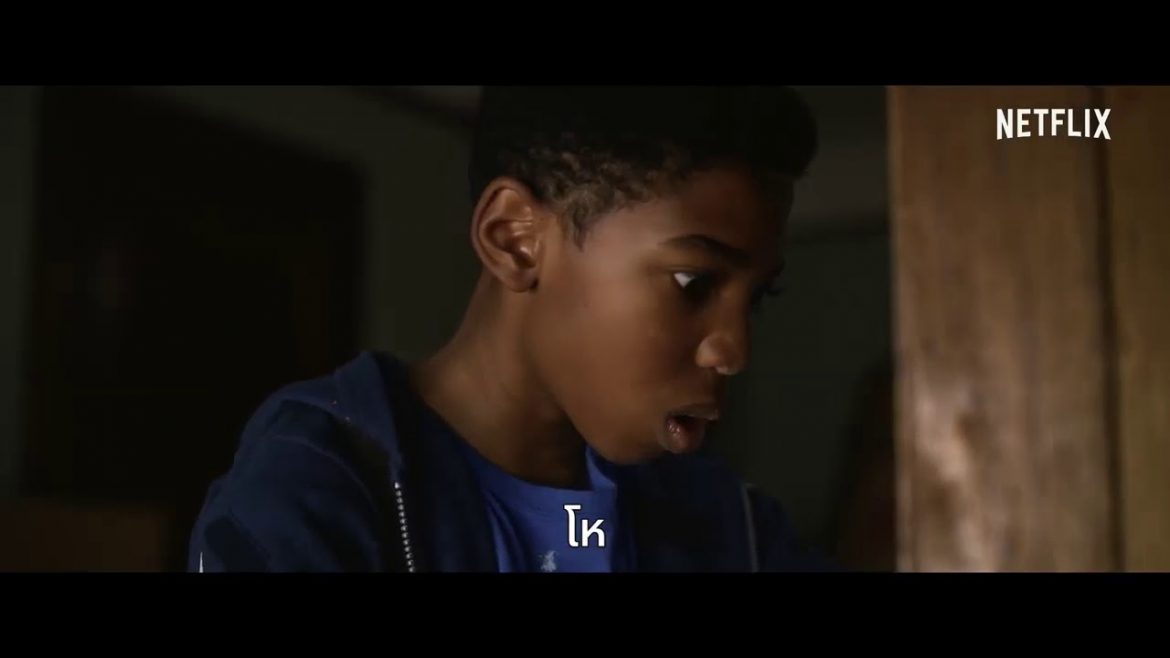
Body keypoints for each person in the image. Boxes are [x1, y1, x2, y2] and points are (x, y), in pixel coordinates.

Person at [187, 86, 832, 572]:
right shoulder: (316, 489)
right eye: (693, 283)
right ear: (515, 240)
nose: (733, 350)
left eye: (755, 300)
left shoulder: (730, 527)